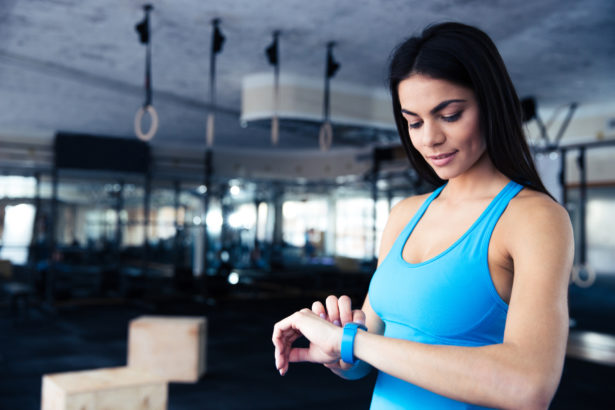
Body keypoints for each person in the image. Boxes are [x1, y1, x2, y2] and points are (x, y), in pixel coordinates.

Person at [272, 22, 574, 410]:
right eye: (414, 122)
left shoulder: (534, 219)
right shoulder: (405, 214)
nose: (428, 138)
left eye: (449, 115)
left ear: (490, 104)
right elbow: (371, 353)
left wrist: (353, 342)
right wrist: (338, 352)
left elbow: (529, 386)